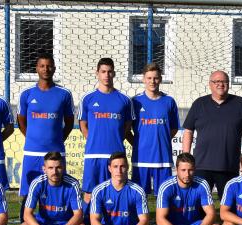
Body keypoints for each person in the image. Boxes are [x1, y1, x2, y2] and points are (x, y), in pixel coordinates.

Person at [182, 70, 242, 197]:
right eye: (216, 81)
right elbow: (188, 131)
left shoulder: (240, 104)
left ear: (229, 84)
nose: (220, 84)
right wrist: (185, 157)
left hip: (229, 165)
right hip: (202, 165)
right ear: (210, 84)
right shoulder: (199, 104)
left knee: (228, 205)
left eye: (224, 81)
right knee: (199, 205)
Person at [17, 54, 75, 212]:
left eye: (49, 66)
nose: (46, 69)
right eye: (42, 66)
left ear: (54, 69)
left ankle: (58, 224)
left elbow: (69, 122)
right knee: (28, 192)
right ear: (37, 69)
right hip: (32, 152)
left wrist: (57, 139)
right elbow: (21, 120)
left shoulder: (64, 94)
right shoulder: (26, 94)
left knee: (58, 190)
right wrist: (31, 137)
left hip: (56, 152)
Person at [16, 152, 88, 225]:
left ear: (63, 167)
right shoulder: (37, 183)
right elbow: (27, 215)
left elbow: (78, 215)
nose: (55, 171)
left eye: (58, 167)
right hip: (44, 224)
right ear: (44, 169)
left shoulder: (72, 184)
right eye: (50, 168)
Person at [154, 153, 223, 225]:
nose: (187, 174)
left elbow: (211, 214)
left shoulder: (202, 184)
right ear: (176, 169)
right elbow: (160, 219)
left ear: (195, 169)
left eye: (190, 170)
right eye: (183, 170)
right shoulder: (166, 186)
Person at [79, 58, 133, 205]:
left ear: (114, 73)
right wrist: (91, 139)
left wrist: (118, 138)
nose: (106, 75)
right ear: (97, 73)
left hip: (115, 155)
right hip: (94, 154)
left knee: (116, 191)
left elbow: (128, 125)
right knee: (90, 193)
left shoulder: (124, 100)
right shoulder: (87, 99)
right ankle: (86, 223)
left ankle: (114, 223)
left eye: (109, 72)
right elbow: (83, 123)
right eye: (103, 72)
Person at [128, 63, 179, 196]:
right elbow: (127, 129)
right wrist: (138, 144)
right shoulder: (135, 102)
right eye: (149, 78)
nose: (152, 81)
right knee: (138, 197)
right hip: (141, 159)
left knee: (164, 198)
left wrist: (161, 141)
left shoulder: (169, 101)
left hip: (162, 159)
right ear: (143, 79)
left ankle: (160, 218)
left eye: (155, 78)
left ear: (160, 79)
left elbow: (173, 128)